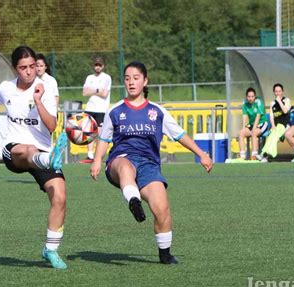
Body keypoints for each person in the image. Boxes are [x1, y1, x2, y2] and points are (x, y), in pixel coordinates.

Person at [90, 61, 213, 265]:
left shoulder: (157, 112)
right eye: (127, 78)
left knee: (162, 209)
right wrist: (96, 161)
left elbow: (179, 134)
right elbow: (103, 139)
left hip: (149, 165)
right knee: (125, 165)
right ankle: (133, 200)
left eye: (136, 78)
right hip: (119, 162)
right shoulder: (115, 111)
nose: (131, 82)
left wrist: (201, 153)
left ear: (145, 81)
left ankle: (165, 254)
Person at [0, 46, 69, 270]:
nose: (29, 72)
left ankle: (50, 250)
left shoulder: (45, 88)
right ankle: (48, 160)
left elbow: (52, 125)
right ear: (15, 68)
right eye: (23, 68)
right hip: (14, 151)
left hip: (43, 150)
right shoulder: (6, 88)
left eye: (31, 67)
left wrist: (38, 101)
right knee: (27, 150)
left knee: (60, 197)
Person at [80, 56, 112, 163]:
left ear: (103, 66)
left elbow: (104, 94)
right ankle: (90, 156)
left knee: (100, 133)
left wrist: (92, 90)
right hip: (90, 108)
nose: (97, 67)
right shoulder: (89, 77)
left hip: (101, 109)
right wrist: (98, 90)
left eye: (99, 65)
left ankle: (98, 156)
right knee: (89, 132)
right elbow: (84, 92)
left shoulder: (106, 77)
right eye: (96, 65)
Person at [257, 83, 291, 162]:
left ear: (282, 91)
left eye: (279, 91)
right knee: (271, 136)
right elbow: (271, 116)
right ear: (274, 92)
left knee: (273, 136)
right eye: (276, 91)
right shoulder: (272, 103)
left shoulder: (287, 100)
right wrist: (273, 126)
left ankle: (264, 154)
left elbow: (285, 111)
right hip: (276, 126)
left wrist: (279, 101)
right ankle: (265, 155)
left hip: (284, 125)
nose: (278, 93)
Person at [238, 87, 268, 160]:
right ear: (246, 97)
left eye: (252, 96)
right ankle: (242, 155)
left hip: (262, 123)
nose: (250, 98)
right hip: (252, 124)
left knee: (254, 133)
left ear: (255, 96)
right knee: (241, 133)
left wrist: (254, 128)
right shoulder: (244, 103)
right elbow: (244, 117)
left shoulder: (258, 102)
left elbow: (258, 116)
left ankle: (254, 155)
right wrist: (244, 127)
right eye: (249, 96)